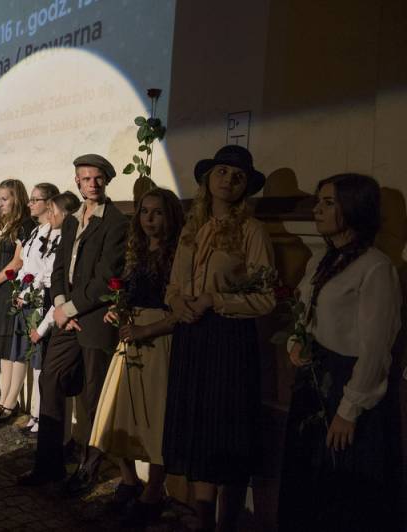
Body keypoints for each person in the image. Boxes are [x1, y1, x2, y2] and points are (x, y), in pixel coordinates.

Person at [278, 174, 402, 532]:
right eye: (319, 201)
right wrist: (296, 341)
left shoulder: (376, 267)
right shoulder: (322, 261)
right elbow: (306, 311)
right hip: (314, 381)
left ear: (354, 207)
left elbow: (376, 347)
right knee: (307, 479)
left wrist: (349, 410)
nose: (316, 209)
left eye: (328, 203)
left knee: (342, 487)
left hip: (347, 385)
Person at [162, 145, 275, 531]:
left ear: (246, 187)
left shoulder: (252, 231)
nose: (229, 180)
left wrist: (215, 299)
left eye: (238, 176)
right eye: (222, 171)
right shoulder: (191, 228)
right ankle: (202, 519)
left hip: (229, 341)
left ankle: (226, 523)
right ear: (208, 179)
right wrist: (178, 303)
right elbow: (173, 286)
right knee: (198, 430)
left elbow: (266, 298)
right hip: (191, 338)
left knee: (226, 431)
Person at [18, 154, 128, 492]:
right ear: (77, 182)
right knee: (50, 378)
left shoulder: (116, 222)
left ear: (106, 180)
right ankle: (48, 465)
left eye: (97, 178)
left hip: (94, 319)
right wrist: (60, 307)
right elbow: (58, 270)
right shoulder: (70, 221)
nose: (92, 184)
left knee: (94, 397)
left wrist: (71, 309)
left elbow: (106, 276)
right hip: (67, 318)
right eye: (85, 178)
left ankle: (87, 472)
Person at [90, 188, 184, 527]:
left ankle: (153, 492)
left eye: (157, 213)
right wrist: (117, 311)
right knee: (118, 412)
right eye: (144, 212)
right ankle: (129, 481)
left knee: (156, 419)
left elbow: (180, 310)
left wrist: (148, 330)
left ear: (170, 216)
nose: (149, 219)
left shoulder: (178, 255)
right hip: (130, 337)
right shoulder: (137, 252)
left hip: (159, 339)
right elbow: (127, 295)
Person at [0, 183, 58, 423]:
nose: (31, 203)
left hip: (34, 297)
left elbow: (30, 266)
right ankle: (5, 400)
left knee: (31, 356)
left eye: (36, 200)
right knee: (13, 349)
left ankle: (27, 410)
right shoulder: (34, 230)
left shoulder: (36, 228)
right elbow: (25, 263)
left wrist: (21, 292)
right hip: (21, 293)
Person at [21, 191, 81, 436]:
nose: (50, 216)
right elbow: (46, 273)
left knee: (52, 372)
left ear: (64, 215)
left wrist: (42, 328)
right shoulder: (54, 236)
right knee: (44, 370)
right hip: (48, 298)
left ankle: (52, 424)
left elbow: (57, 287)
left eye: (53, 212)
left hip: (56, 307)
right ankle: (40, 416)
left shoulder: (66, 240)